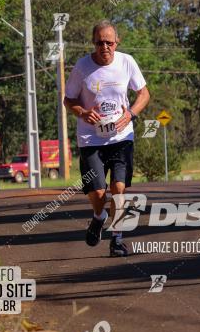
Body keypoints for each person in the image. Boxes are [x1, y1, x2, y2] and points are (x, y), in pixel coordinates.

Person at [64, 20, 150, 257]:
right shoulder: (82, 67)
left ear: (116, 42)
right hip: (91, 139)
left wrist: (131, 114)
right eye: (100, 42)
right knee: (99, 194)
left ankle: (117, 239)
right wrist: (81, 111)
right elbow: (68, 99)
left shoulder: (127, 62)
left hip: (121, 137)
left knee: (119, 189)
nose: (105, 47)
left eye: (109, 42)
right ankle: (99, 216)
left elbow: (143, 93)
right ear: (94, 43)